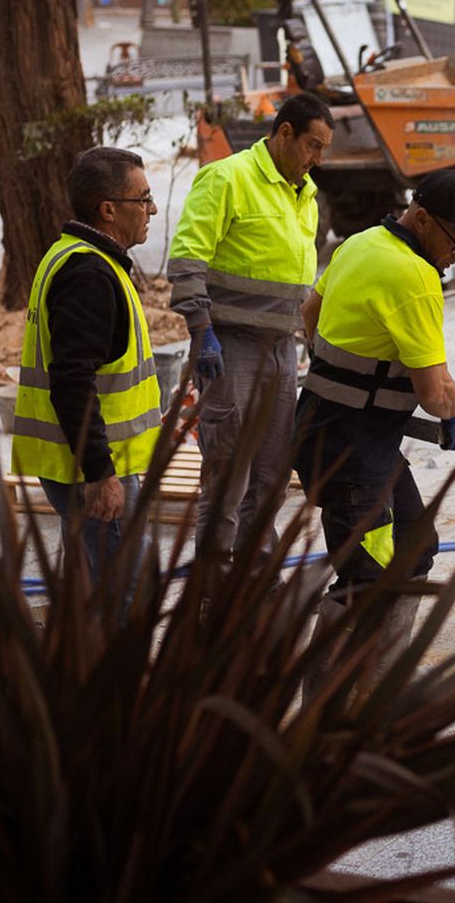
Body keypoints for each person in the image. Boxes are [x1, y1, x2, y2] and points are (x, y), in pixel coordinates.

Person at [293, 170, 455, 690]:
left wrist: (353, 371)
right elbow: (434, 392)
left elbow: (309, 314)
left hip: (331, 427)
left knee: (412, 545)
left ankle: (376, 691)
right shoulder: (414, 275)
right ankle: (331, 707)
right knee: (372, 576)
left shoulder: (360, 244)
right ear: (422, 219)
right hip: (353, 449)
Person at [168, 93, 334, 563]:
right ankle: (215, 585)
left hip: (280, 350)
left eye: (323, 150)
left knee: (271, 475)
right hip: (229, 348)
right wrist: (201, 329)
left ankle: (254, 576)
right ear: (284, 134)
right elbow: (185, 260)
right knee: (228, 477)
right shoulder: (227, 177)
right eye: (312, 146)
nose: (317, 160)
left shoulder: (306, 195)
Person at [11, 146, 163, 582]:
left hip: (77, 466)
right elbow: (73, 380)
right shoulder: (89, 274)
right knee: (125, 596)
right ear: (109, 210)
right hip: (93, 471)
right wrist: (99, 472)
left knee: (89, 591)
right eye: (143, 199)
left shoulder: (74, 256)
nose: (151, 208)